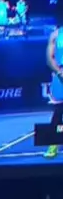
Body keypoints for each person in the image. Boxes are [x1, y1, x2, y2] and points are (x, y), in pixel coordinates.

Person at [44, 27, 63, 159]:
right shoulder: (56, 34)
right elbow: (49, 58)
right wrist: (59, 72)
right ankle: (53, 143)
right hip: (61, 77)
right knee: (59, 111)